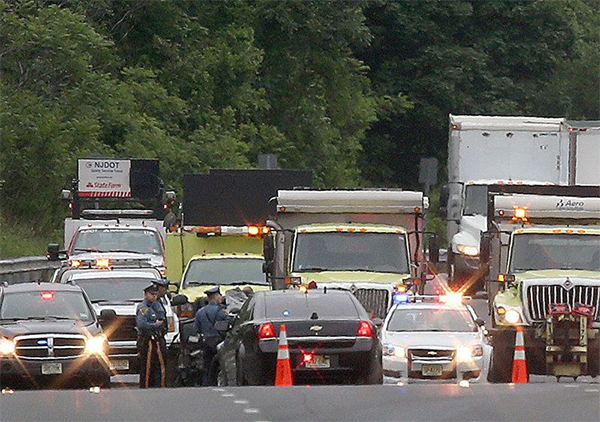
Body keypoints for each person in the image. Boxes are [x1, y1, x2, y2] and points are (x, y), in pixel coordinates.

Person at [194, 286, 228, 386]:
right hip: (219, 341)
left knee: (207, 366)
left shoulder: (200, 312)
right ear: (215, 297)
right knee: (220, 364)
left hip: (206, 342)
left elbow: (197, 329)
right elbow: (229, 323)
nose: (221, 297)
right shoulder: (221, 312)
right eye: (219, 295)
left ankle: (206, 384)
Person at [136, 284, 167, 388]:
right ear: (145, 295)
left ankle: (159, 384)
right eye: (151, 294)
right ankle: (146, 385)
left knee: (159, 363)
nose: (154, 296)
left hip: (158, 338)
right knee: (147, 364)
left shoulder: (157, 305)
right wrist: (155, 325)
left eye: (155, 294)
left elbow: (162, 316)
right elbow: (142, 324)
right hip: (147, 339)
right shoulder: (143, 308)